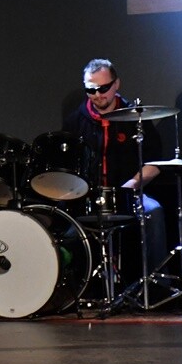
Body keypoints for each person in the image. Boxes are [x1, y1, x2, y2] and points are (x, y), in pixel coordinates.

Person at [61, 58, 167, 281]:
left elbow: (155, 163)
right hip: (89, 199)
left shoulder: (136, 117)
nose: (98, 95)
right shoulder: (75, 122)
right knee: (64, 229)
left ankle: (153, 285)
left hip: (129, 194)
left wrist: (131, 186)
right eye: (91, 90)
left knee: (153, 211)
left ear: (116, 84)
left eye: (104, 88)